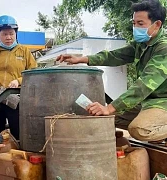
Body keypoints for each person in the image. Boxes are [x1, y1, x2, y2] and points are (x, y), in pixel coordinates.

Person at [57, 0, 167, 142]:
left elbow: (144, 85)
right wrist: (82, 59)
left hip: (162, 102)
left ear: (157, 24)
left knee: (138, 129)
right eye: (134, 23)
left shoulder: (163, 48)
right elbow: (115, 56)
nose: (135, 28)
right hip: (147, 102)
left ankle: (157, 127)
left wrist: (109, 107)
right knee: (105, 118)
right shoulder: (142, 44)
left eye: (140, 24)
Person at [0, 15, 37, 140]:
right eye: (4, 34)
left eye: (11, 33)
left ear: (16, 33)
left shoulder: (25, 52)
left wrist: (19, 81)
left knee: (18, 132)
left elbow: (33, 73)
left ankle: (17, 156)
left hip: (17, 99)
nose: (9, 37)